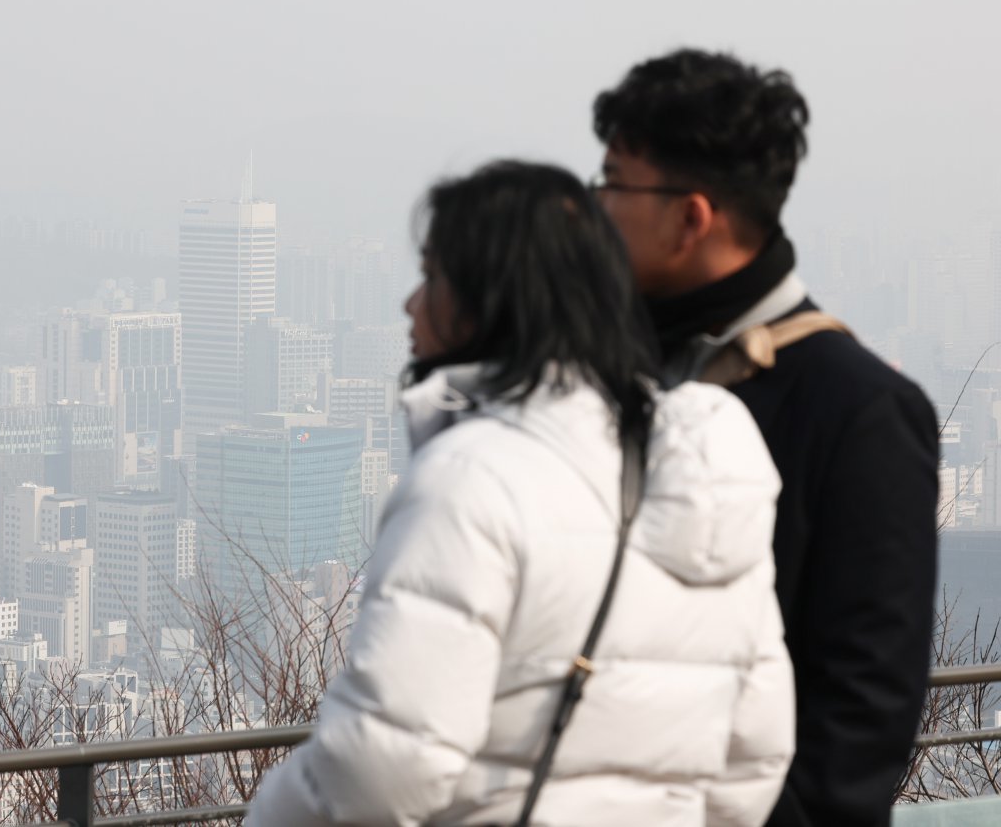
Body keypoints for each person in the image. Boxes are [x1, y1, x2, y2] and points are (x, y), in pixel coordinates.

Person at [246, 161, 793, 827]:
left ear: (489, 298)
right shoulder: (711, 467)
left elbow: (383, 770)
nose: (411, 304)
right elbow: (758, 752)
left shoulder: (471, 478)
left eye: (432, 277)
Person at [591, 48, 939, 827]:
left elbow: (861, 721)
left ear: (691, 217)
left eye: (614, 183)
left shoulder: (859, 411)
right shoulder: (612, 374)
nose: (598, 210)